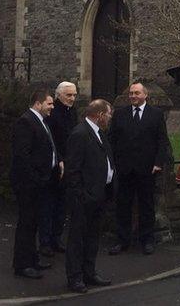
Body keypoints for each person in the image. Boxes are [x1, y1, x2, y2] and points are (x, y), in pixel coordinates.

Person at [108, 81, 172, 255]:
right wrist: (113, 164)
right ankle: (122, 240)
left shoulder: (156, 114)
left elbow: (161, 141)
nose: (133, 96)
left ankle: (147, 240)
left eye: (136, 93)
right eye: (131, 93)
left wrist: (158, 163)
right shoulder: (120, 114)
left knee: (146, 205)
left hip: (146, 169)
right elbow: (112, 140)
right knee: (123, 206)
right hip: (124, 169)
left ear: (145, 95)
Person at [64, 99, 115, 293]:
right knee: (78, 238)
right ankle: (75, 277)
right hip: (84, 198)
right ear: (100, 114)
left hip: (99, 195)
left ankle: (89, 272)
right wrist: (81, 195)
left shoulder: (99, 133)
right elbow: (73, 169)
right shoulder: (80, 134)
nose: (110, 118)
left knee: (93, 236)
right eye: (108, 114)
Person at [10, 90, 57, 279]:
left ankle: (33, 259)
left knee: (34, 223)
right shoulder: (26, 122)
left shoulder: (40, 121)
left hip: (39, 182)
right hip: (28, 184)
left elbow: (48, 147)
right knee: (26, 224)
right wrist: (35, 179)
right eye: (50, 103)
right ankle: (22, 265)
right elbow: (22, 155)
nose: (52, 107)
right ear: (38, 104)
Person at [39, 81, 78, 257]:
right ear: (59, 95)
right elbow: (50, 140)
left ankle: (56, 239)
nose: (72, 98)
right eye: (69, 95)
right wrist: (60, 159)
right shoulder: (52, 113)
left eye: (74, 95)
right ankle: (45, 242)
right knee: (48, 205)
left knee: (62, 205)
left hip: (68, 166)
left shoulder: (73, 112)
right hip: (53, 166)